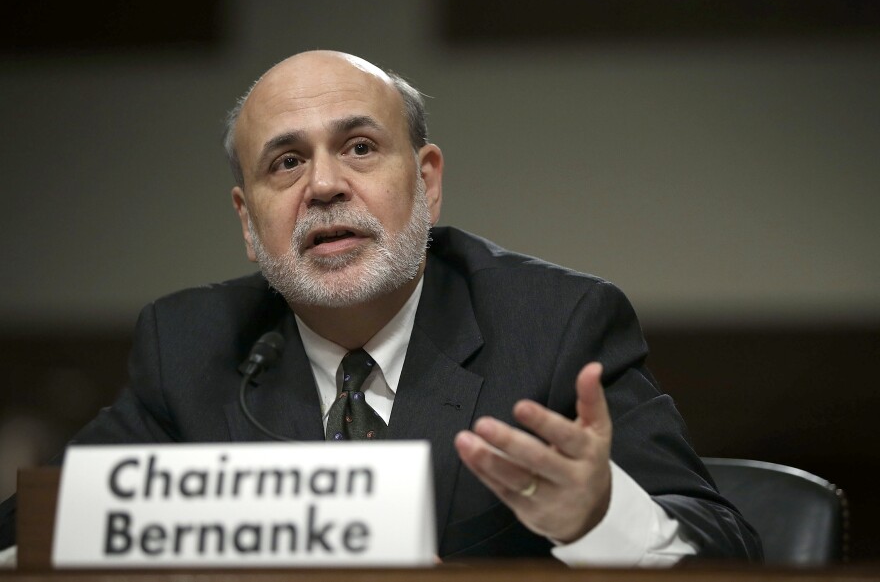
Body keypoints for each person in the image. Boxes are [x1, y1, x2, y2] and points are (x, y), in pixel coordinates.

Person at [0, 51, 761, 565]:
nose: (324, 186)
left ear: (426, 182)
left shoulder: (556, 324)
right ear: (246, 217)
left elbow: (726, 546)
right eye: (287, 162)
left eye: (359, 147)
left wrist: (597, 515)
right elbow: (36, 530)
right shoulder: (189, 343)